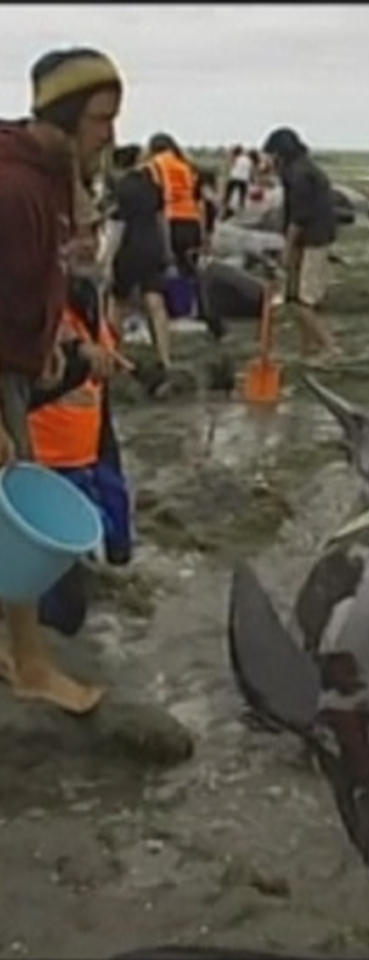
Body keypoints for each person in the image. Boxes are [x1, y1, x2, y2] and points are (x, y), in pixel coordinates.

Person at [0, 45, 123, 713]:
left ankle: (21, 653)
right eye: (103, 119)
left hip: (15, 361)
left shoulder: (48, 173)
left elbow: (38, 272)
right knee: (12, 517)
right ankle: (31, 666)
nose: (113, 135)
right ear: (68, 115)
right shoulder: (14, 188)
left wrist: (54, 338)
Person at [30, 231, 133, 637]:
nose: (88, 244)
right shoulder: (32, 308)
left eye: (94, 231)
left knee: (104, 538)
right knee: (63, 605)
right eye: (73, 236)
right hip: (44, 464)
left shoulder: (89, 298)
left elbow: (98, 391)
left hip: (88, 451)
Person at [261, 126, 341, 367]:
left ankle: (330, 348)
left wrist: (287, 249)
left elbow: (299, 217)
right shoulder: (300, 168)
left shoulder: (299, 174)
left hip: (313, 239)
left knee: (302, 301)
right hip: (311, 237)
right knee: (295, 296)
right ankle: (307, 350)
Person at [101, 143, 174, 391]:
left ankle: (114, 352)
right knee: (155, 302)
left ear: (118, 165)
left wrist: (107, 261)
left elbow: (116, 228)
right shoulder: (153, 185)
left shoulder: (120, 189)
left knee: (117, 301)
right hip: (152, 245)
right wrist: (167, 250)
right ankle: (165, 357)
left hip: (129, 248)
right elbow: (162, 220)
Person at [145, 132, 205, 291]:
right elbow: (199, 200)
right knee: (189, 268)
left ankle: (176, 304)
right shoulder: (187, 166)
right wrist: (203, 231)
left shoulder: (154, 165)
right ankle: (194, 301)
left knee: (169, 268)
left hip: (170, 220)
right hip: (192, 221)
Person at [222, 145, 253, 218]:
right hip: (244, 179)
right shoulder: (248, 160)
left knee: (228, 193)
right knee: (242, 194)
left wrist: (229, 156)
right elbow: (250, 169)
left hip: (235, 177)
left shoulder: (237, 158)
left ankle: (226, 204)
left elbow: (231, 165)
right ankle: (241, 207)